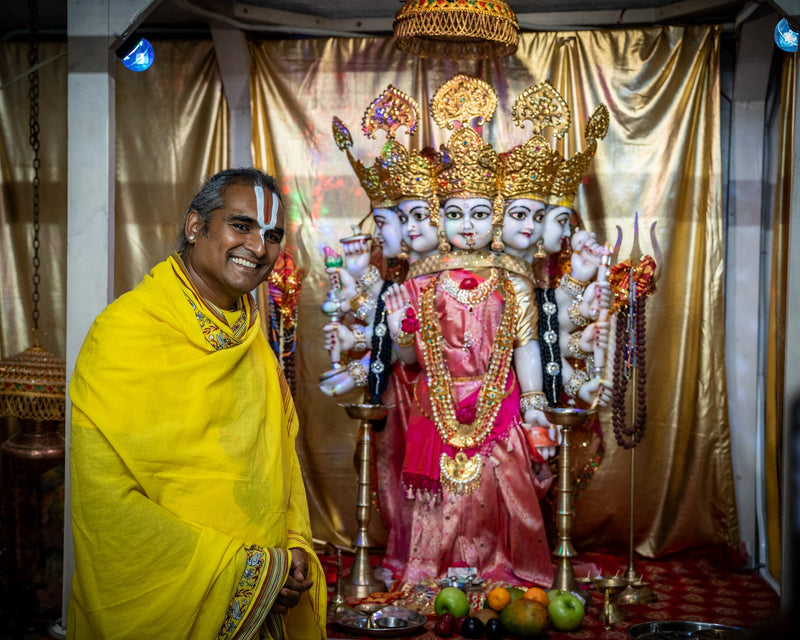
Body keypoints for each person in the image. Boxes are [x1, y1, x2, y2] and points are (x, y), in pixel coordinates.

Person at [68, 168, 326, 640]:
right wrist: (248, 572)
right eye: (242, 225)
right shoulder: (126, 333)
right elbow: (106, 504)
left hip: (263, 605)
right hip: (169, 603)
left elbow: (281, 472)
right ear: (194, 227)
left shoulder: (254, 343)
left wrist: (290, 558)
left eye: (272, 235)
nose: (258, 247)